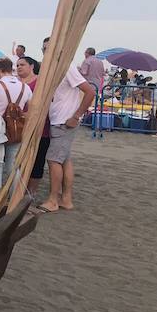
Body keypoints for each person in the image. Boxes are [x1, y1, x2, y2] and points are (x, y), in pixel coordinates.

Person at [39, 63, 95, 213]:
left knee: (53, 159)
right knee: (64, 159)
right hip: (59, 120)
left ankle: (53, 200)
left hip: (64, 121)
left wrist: (76, 116)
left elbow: (90, 91)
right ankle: (66, 199)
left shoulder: (67, 68)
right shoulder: (55, 69)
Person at [0, 58, 32, 195]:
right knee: (12, 165)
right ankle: (13, 199)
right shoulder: (25, 87)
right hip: (16, 129)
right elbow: (31, 111)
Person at [17, 56, 50, 193]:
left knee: (37, 162)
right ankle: (18, 191)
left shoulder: (40, 82)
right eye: (17, 65)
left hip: (39, 127)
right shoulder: (15, 82)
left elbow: (43, 105)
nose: (18, 67)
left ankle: (31, 193)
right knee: (19, 161)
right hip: (18, 127)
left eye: (22, 65)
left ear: (31, 66)